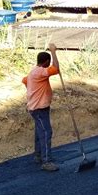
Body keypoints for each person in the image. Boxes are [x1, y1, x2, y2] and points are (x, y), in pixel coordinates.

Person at [22, 43, 60, 172]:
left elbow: (24, 80)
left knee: (40, 132)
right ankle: (46, 161)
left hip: (38, 107)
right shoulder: (40, 72)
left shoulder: (34, 72)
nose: (49, 64)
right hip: (39, 109)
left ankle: (39, 155)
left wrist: (33, 90)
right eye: (49, 62)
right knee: (46, 132)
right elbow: (56, 69)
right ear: (46, 61)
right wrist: (53, 51)